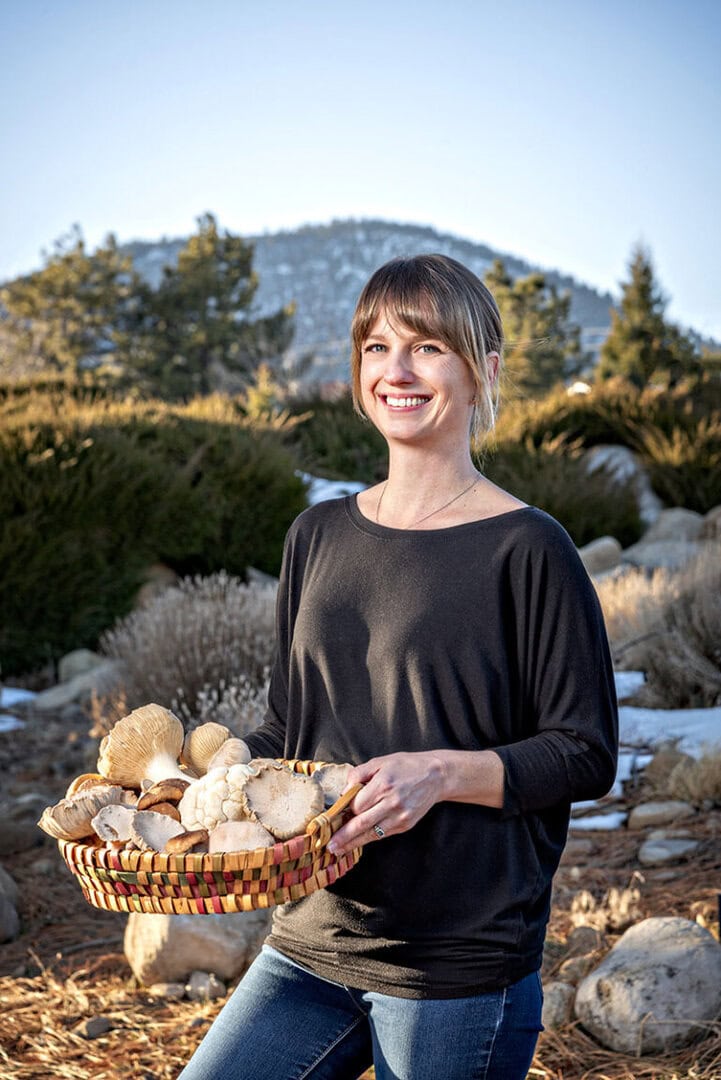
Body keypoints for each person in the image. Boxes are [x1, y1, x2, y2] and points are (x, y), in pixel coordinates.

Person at [179, 254, 618, 1080]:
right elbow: (289, 725)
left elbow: (583, 751)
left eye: (426, 347)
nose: (397, 371)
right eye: (376, 348)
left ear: (482, 370)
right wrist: (203, 795)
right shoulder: (316, 534)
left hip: (452, 966)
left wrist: (440, 775)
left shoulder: (529, 550)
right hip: (311, 939)